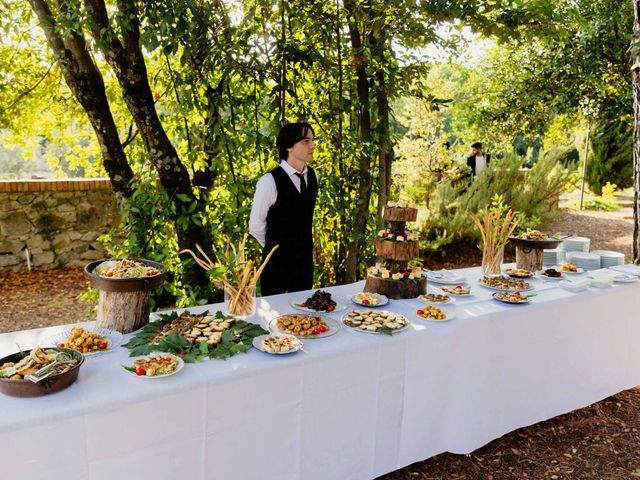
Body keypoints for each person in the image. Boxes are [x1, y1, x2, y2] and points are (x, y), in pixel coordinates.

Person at [249, 122, 318, 296]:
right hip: (276, 267)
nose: (313, 145)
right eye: (306, 141)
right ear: (289, 146)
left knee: (303, 317)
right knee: (273, 320)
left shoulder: (313, 175)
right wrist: (276, 248)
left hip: (304, 265)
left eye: (313, 140)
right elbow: (255, 226)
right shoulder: (269, 181)